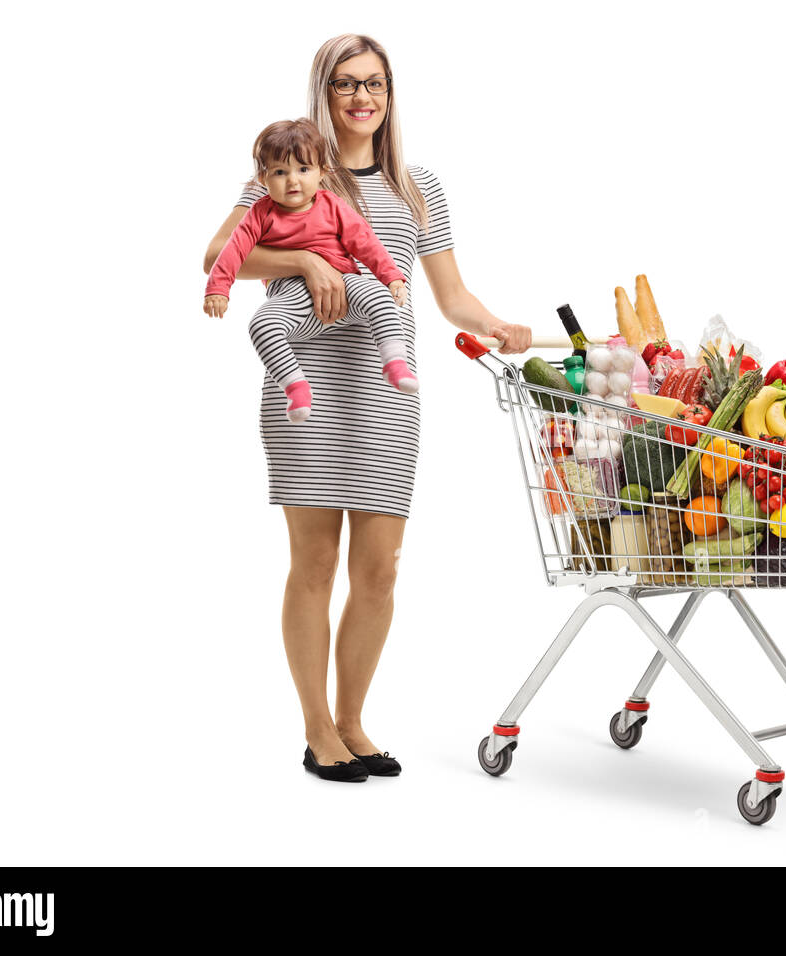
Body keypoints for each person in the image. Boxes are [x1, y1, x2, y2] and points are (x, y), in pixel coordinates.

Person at [202, 34, 532, 782]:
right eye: (347, 84)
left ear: (390, 94)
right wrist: (308, 259)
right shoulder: (293, 170)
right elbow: (219, 254)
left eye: (374, 84)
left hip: (388, 389)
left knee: (379, 571)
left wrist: (495, 324)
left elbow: (450, 296)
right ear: (325, 91)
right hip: (307, 386)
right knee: (314, 562)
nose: (362, 97)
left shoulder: (419, 188)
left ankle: (353, 720)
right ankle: (318, 729)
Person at [205, 118, 420, 418]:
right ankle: (296, 387)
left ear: (322, 171)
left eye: (303, 170)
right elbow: (233, 251)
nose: (293, 181)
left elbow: (365, 242)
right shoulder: (260, 212)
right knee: (261, 325)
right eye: (280, 172)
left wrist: (392, 276)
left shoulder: (331, 205)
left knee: (378, 296)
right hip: (292, 297)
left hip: (344, 285)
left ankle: (395, 362)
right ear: (263, 178)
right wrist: (219, 288)